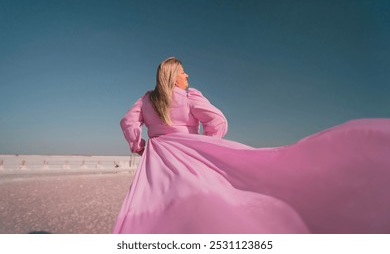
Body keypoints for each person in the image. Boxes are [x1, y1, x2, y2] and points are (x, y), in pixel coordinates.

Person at [113, 57, 390, 234]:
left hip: (158, 157)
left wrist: (139, 145)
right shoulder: (188, 96)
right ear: (175, 77)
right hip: (192, 152)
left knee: (158, 206)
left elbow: (128, 122)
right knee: (206, 200)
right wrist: (207, 144)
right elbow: (218, 120)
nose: (188, 76)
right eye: (184, 72)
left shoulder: (147, 99)